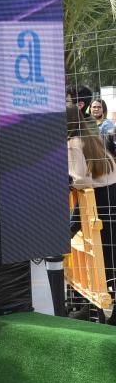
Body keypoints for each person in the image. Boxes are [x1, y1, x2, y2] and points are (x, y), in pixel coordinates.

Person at [68, 106, 116, 321]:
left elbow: (79, 179)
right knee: (109, 255)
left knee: (100, 256)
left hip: (96, 198)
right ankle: (100, 309)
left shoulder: (73, 143)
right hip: (111, 194)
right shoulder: (93, 136)